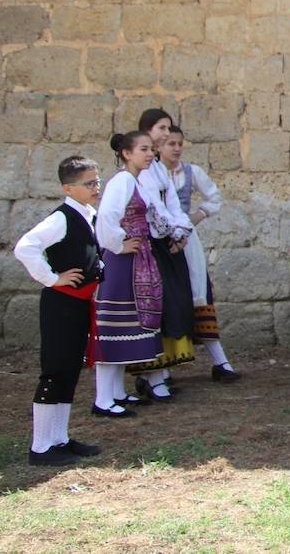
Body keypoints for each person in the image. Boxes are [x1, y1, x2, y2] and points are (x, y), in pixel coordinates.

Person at [12, 155, 106, 466]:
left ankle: (59, 439)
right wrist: (53, 278)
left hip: (79, 303)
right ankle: (41, 447)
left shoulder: (87, 215)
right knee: (55, 371)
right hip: (61, 304)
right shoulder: (62, 218)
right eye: (89, 183)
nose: (96, 187)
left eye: (97, 180)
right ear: (68, 188)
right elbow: (25, 247)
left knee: (69, 371)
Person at [158, 126, 238, 383]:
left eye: (179, 143)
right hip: (161, 243)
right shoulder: (151, 175)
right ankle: (164, 367)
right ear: (159, 146)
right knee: (168, 298)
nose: (177, 148)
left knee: (198, 293)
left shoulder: (191, 172)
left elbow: (214, 197)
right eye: (171, 143)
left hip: (187, 241)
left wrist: (197, 216)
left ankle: (220, 361)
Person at [92, 132, 163, 416]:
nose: (149, 154)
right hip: (123, 262)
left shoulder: (134, 181)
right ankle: (102, 399)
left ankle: (117, 392)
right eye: (143, 149)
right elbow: (107, 215)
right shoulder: (121, 181)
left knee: (126, 329)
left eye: (150, 150)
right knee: (112, 329)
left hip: (136, 259)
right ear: (126, 153)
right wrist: (118, 245)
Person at [128, 109, 196, 401]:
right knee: (153, 311)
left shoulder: (158, 167)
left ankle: (158, 373)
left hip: (167, 242)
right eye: (161, 128)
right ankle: (149, 376)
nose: (167, 134)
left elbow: (172, 203)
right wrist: (171, 232)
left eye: (168, 128)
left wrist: (182, 232)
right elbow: (151, 206)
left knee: (173, 307)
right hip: (150, 245)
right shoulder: (139, 168)